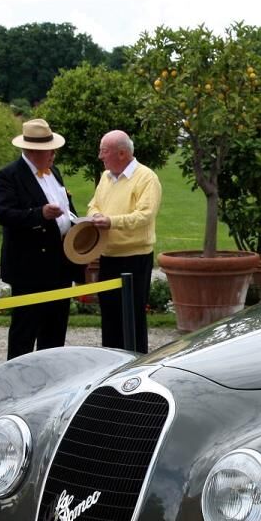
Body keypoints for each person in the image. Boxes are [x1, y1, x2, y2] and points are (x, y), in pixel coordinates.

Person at [0, 118, 79, 360]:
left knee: (55, 331)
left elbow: (67, 208)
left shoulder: (55, 173)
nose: (53, 154)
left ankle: (50, 380)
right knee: (25, 330)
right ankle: (18, 381)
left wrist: (80, 225)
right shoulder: (9, 175)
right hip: (29, 267)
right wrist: (39, 214)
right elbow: (5, 214)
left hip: (59, 264)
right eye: (48, 150)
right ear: (32, 151)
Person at [86, 130, 162, 354]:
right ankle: (111, 366)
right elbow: (94, 204)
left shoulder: (146, 178)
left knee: (133, 318)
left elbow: (145, 215)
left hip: (135, 258)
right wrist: (96, 216)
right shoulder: (106, 177)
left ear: (121, 153)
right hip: (108, 257)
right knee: (109, 316)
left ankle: (136, 365)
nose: (100, 156)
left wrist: (111, 222)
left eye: (104, 151)